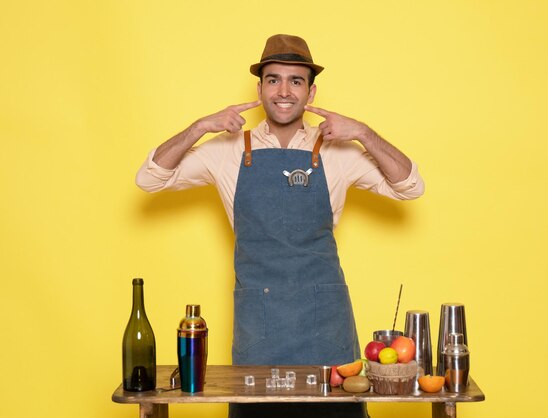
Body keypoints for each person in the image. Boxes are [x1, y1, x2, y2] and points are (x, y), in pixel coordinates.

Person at [136, 34, 424, 418]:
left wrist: (365, 134)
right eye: (273, 80)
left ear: (311, 92)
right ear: (260, 88)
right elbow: (149, 178)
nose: (284, 91)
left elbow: (410, 186)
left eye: (296, 81)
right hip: (261, 323)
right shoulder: (228, 150)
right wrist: (199, 127)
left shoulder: (338, 150)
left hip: (326, 321)